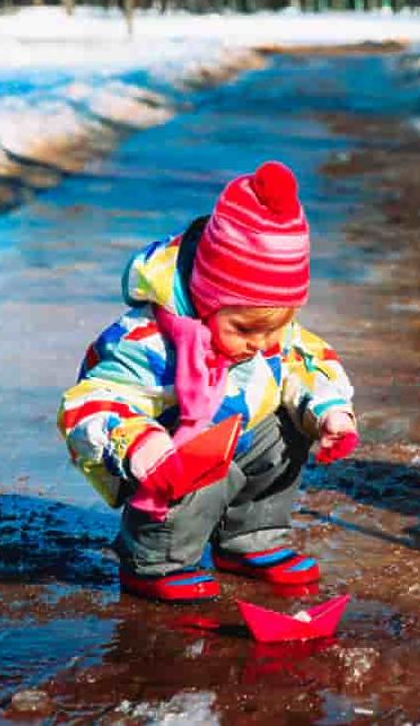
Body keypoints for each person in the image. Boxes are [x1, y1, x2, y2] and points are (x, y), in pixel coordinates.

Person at [58, 161, 359, 602]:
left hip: (232, 439)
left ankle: (249, 539)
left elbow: (307, 361)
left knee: (285, 430)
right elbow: (92, 403)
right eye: (244, 329)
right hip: (165, 459)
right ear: (207, 300)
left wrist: (331, 411)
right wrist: (139, 444)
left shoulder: (272, 334)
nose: (261, 343)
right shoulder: (152, 342)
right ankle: (155, 562)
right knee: (199, 461)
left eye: (276, 326)